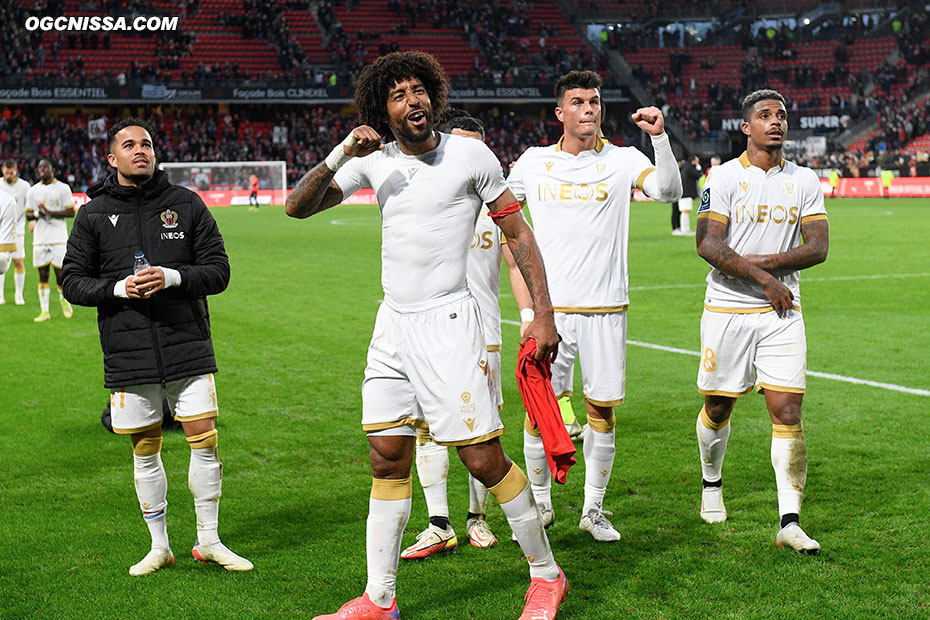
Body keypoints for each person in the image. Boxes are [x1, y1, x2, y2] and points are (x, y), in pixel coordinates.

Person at [286, 51, 568, 620]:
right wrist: (343, 150)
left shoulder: (470, 155)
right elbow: (296, 207)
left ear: (433, 96)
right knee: (387, 456)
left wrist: (542, 314)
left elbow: (518, 234)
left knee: (482, 457)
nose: (412, 100)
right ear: (381, 110)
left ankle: (546, 573)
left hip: (449, 324)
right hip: (392, 325)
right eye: (398, 95)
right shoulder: (374, 163)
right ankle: (379, 600)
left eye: (419, 90)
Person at [61, 117, 252, 576]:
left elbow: (219, 271)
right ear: (112, 158)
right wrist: (118, 290)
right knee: (145, 449)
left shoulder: (185, 204)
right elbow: (71, 281)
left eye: (145, 143)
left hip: (186, 342)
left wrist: (173, 277)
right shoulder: (93, 214)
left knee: (204, 442)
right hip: (128, 353)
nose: (140, 150)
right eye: (129, 145)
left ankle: (209, 540)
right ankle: (159, 545)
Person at [507, 69, 682, 542]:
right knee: (538, 409)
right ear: (561, 113)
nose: (589, 109)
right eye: (579, 102)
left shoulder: (623, 160)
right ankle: (541, 503)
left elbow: (668, 190)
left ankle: (593, 510)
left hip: (607, 308)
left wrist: (660, 139)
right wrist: (528, 311)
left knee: (601, 410)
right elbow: (505, 227)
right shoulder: (533, 162)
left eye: (596, 101)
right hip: (553, 313)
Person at [693, 89, 829, 555]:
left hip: (782, 311)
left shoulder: (805, 180)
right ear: (746, 127)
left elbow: (818, 247)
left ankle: (789, 521)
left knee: (788, 413)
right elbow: (708, 245)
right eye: (765, 115)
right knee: (718, 407)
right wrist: (763, 279)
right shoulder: (724, 176)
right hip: (729, 308)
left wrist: (767, 269)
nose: (776, 122)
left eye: (782, 115)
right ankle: (712, 482)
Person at [401, 111, 534, 558]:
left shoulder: (495, 205)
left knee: (480, 434)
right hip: (425, 332)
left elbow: (516, 263)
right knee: (425, 428)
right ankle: (439, 522)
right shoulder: (426, 201)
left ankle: (477, 518)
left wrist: (531, 314)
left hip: (484, 333)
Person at [25, 160, 75, 322]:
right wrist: (40, 214)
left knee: (60, 275)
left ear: (53, 169)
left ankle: (64, 298)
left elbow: (70, 213)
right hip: (40, 239)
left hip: (58, 238)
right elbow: (28, 215)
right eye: (39, 167)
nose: (42, 170)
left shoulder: (63, 188)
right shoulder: (33, 191)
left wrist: (50, 212)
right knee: (43, 274)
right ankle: (44, 311)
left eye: (45, 167)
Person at [0, 159, 31, 305]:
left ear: (16, 171)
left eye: (11, 172)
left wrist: (33, 220)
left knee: (18, 262)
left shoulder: (24, 186)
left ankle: (19, 295)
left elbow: (30, 205)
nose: (8, 175)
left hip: (17, 229)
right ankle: (0, 296)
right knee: (0, 261)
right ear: (3, 170)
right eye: (6, 172)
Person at [675, 155, 701, 236]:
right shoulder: (689, 168)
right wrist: (698, 167)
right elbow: (698, 175)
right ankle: (685, 229)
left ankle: (685, 229)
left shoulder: (685, 167)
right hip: (687, 193)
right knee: (685, 211)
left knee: (685, 211)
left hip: (683, 192)